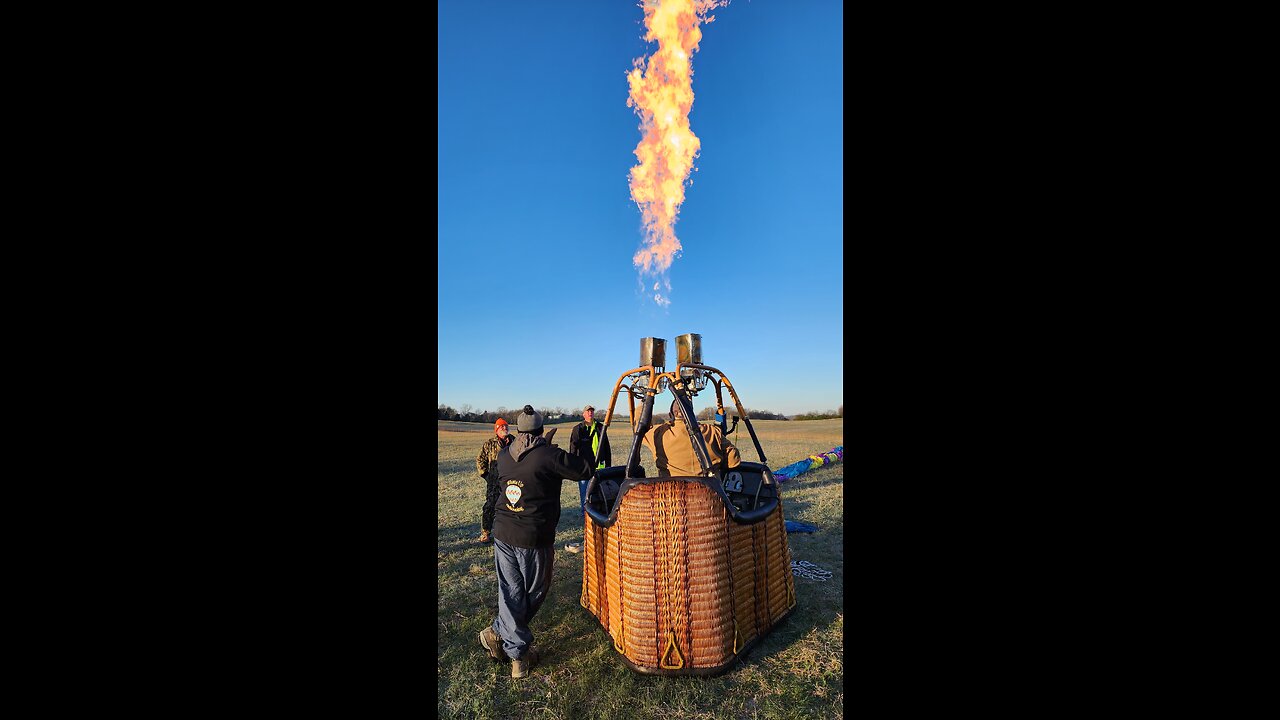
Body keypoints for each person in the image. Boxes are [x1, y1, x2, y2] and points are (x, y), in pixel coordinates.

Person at [479, 405, 593, 678]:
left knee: (511, 593)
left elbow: (526, 463)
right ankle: (516, 653)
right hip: (534, 537)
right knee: (535, 592)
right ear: (541, 430)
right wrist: (582, 443)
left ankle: (498, 635)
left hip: (504, 532)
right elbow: (585, 470)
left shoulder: (505, 455)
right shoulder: (549, 455)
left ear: (518, 431)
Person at [642, 397, 742, 477]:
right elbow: (734, 461)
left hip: (669, 496)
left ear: (670, 414)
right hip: (710, 495)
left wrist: (645, 399)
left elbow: (639, 426)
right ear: (692, 413)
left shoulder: (657, 432)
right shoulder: (712, 431)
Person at [564, 404, 611, 553]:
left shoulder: (600, 427)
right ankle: (587, 524)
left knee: (600, 496)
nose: (590, 413)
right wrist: (574, 466)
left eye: (592, 411)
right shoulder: (578, 429)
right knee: (585, 497)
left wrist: (608, 465)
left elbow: (606, 446)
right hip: (584, 468)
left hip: (600, 468)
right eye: (587, 411)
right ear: (583, 414)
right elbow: (573, 448)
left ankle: (599, 522)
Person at [473, 417, 514, 543]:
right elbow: (480, 460)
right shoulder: (489, 444)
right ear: (496, 430)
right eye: (501, 427)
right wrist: (486, 475)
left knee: (512, 506)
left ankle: (511, 532)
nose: (504, 428)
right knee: (490, 506)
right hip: (494, 482)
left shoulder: (516, 442)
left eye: (506, 426)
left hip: (512, 482)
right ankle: (486, 532)